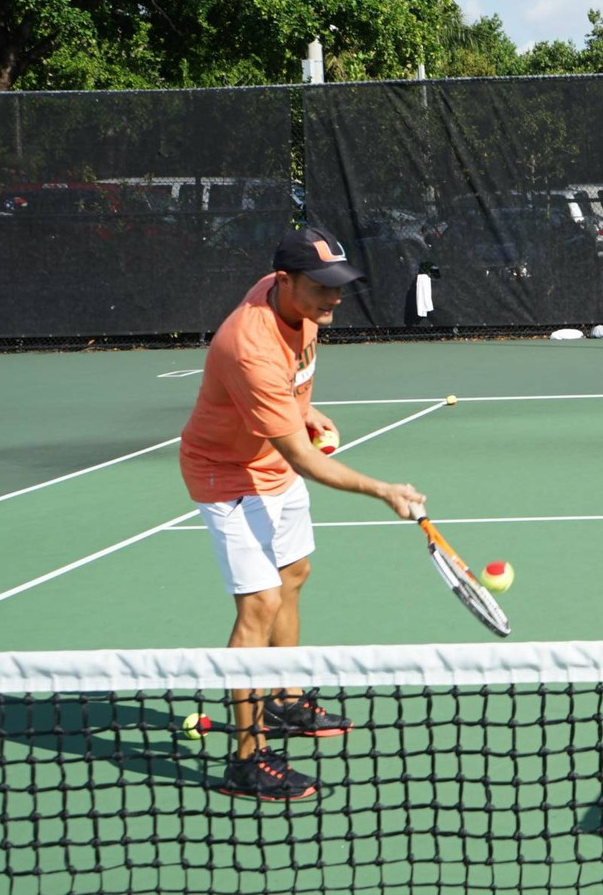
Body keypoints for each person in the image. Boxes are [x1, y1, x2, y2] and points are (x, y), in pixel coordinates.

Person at [180, 227, 428, 801]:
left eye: (339, 286)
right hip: (226, 474)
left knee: (294, 576)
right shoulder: (250, 345)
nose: (333, 298)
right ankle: (246, 759)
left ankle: (287, 701)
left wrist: (307, 411)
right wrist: (383, 489)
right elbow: (305, 459)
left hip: (272, 462)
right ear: (286, 282)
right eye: (321, 288)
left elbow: (299, 381)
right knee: (259, 604)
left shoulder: (295, 300)